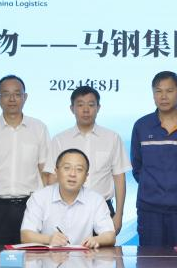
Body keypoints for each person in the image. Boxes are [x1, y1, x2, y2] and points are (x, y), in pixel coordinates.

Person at [0, 74, 52, 247]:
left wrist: (50, 210)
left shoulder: (39, 128)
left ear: (25, 97)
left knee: (32, 259)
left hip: (31, 207)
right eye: (6, 94)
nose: (12, 99)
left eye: (17, 94)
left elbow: (45, 173)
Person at [130, 71, 177, 247]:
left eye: (169, 91)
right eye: (158, 91)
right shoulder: (142, 126)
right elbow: (137, 166)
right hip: (149, 209)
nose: (163, 96)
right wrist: (152, 186)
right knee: (150, 260)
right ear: (153, 94)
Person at [50, 85, 131, 234]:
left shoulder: (112, 138)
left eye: (91, 105)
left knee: (104, 249)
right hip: (67, 210)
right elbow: (52, 179)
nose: (86, 110)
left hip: (102, 210)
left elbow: (119, 177)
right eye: (80, 105)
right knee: (67, 249)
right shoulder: (59, 140)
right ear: (72, 108)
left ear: (98, 108)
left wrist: (119, 215)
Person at [19, 148, 116, 248]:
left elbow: (110, 236)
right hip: (49, 257)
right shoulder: (39, 197)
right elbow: (25, 236)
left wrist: (96, 240)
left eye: (79, 169)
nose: (72, 174)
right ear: (56, 172)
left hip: (84, 257)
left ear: (86, 176)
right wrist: (49, 239)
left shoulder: (96, 200)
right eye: (66, 168)